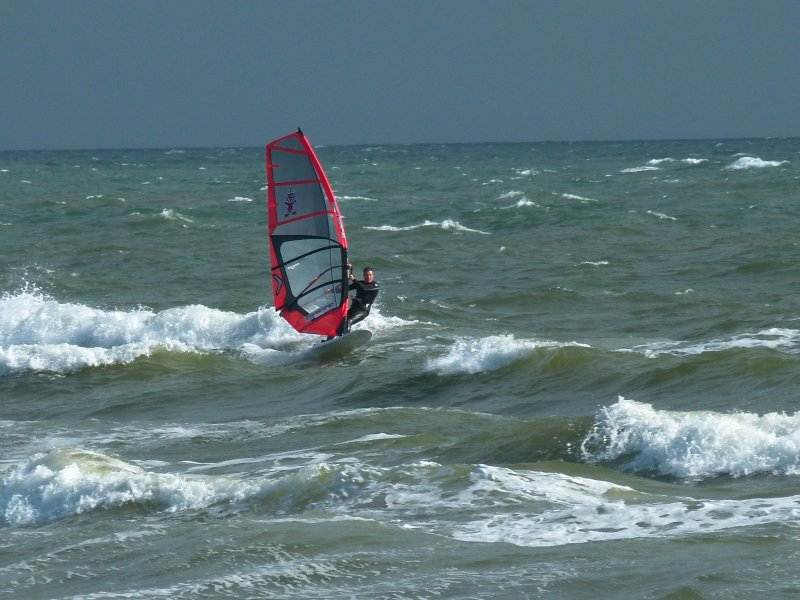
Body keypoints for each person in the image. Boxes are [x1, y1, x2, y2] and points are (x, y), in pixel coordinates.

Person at [340, 264, 379, 334]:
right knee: (340, 322)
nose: (368, 277)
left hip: (363, 311)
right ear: (364, 276)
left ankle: (345, 338)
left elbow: (364, 288)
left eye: (370, 275)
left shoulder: (375, 285)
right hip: (353, 309)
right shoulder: (360, 283)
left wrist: (354, 279)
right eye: (366, 275)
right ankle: (329, 340)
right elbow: (346, 288)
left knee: (348, 321)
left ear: (373, 275)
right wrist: (331, 290)